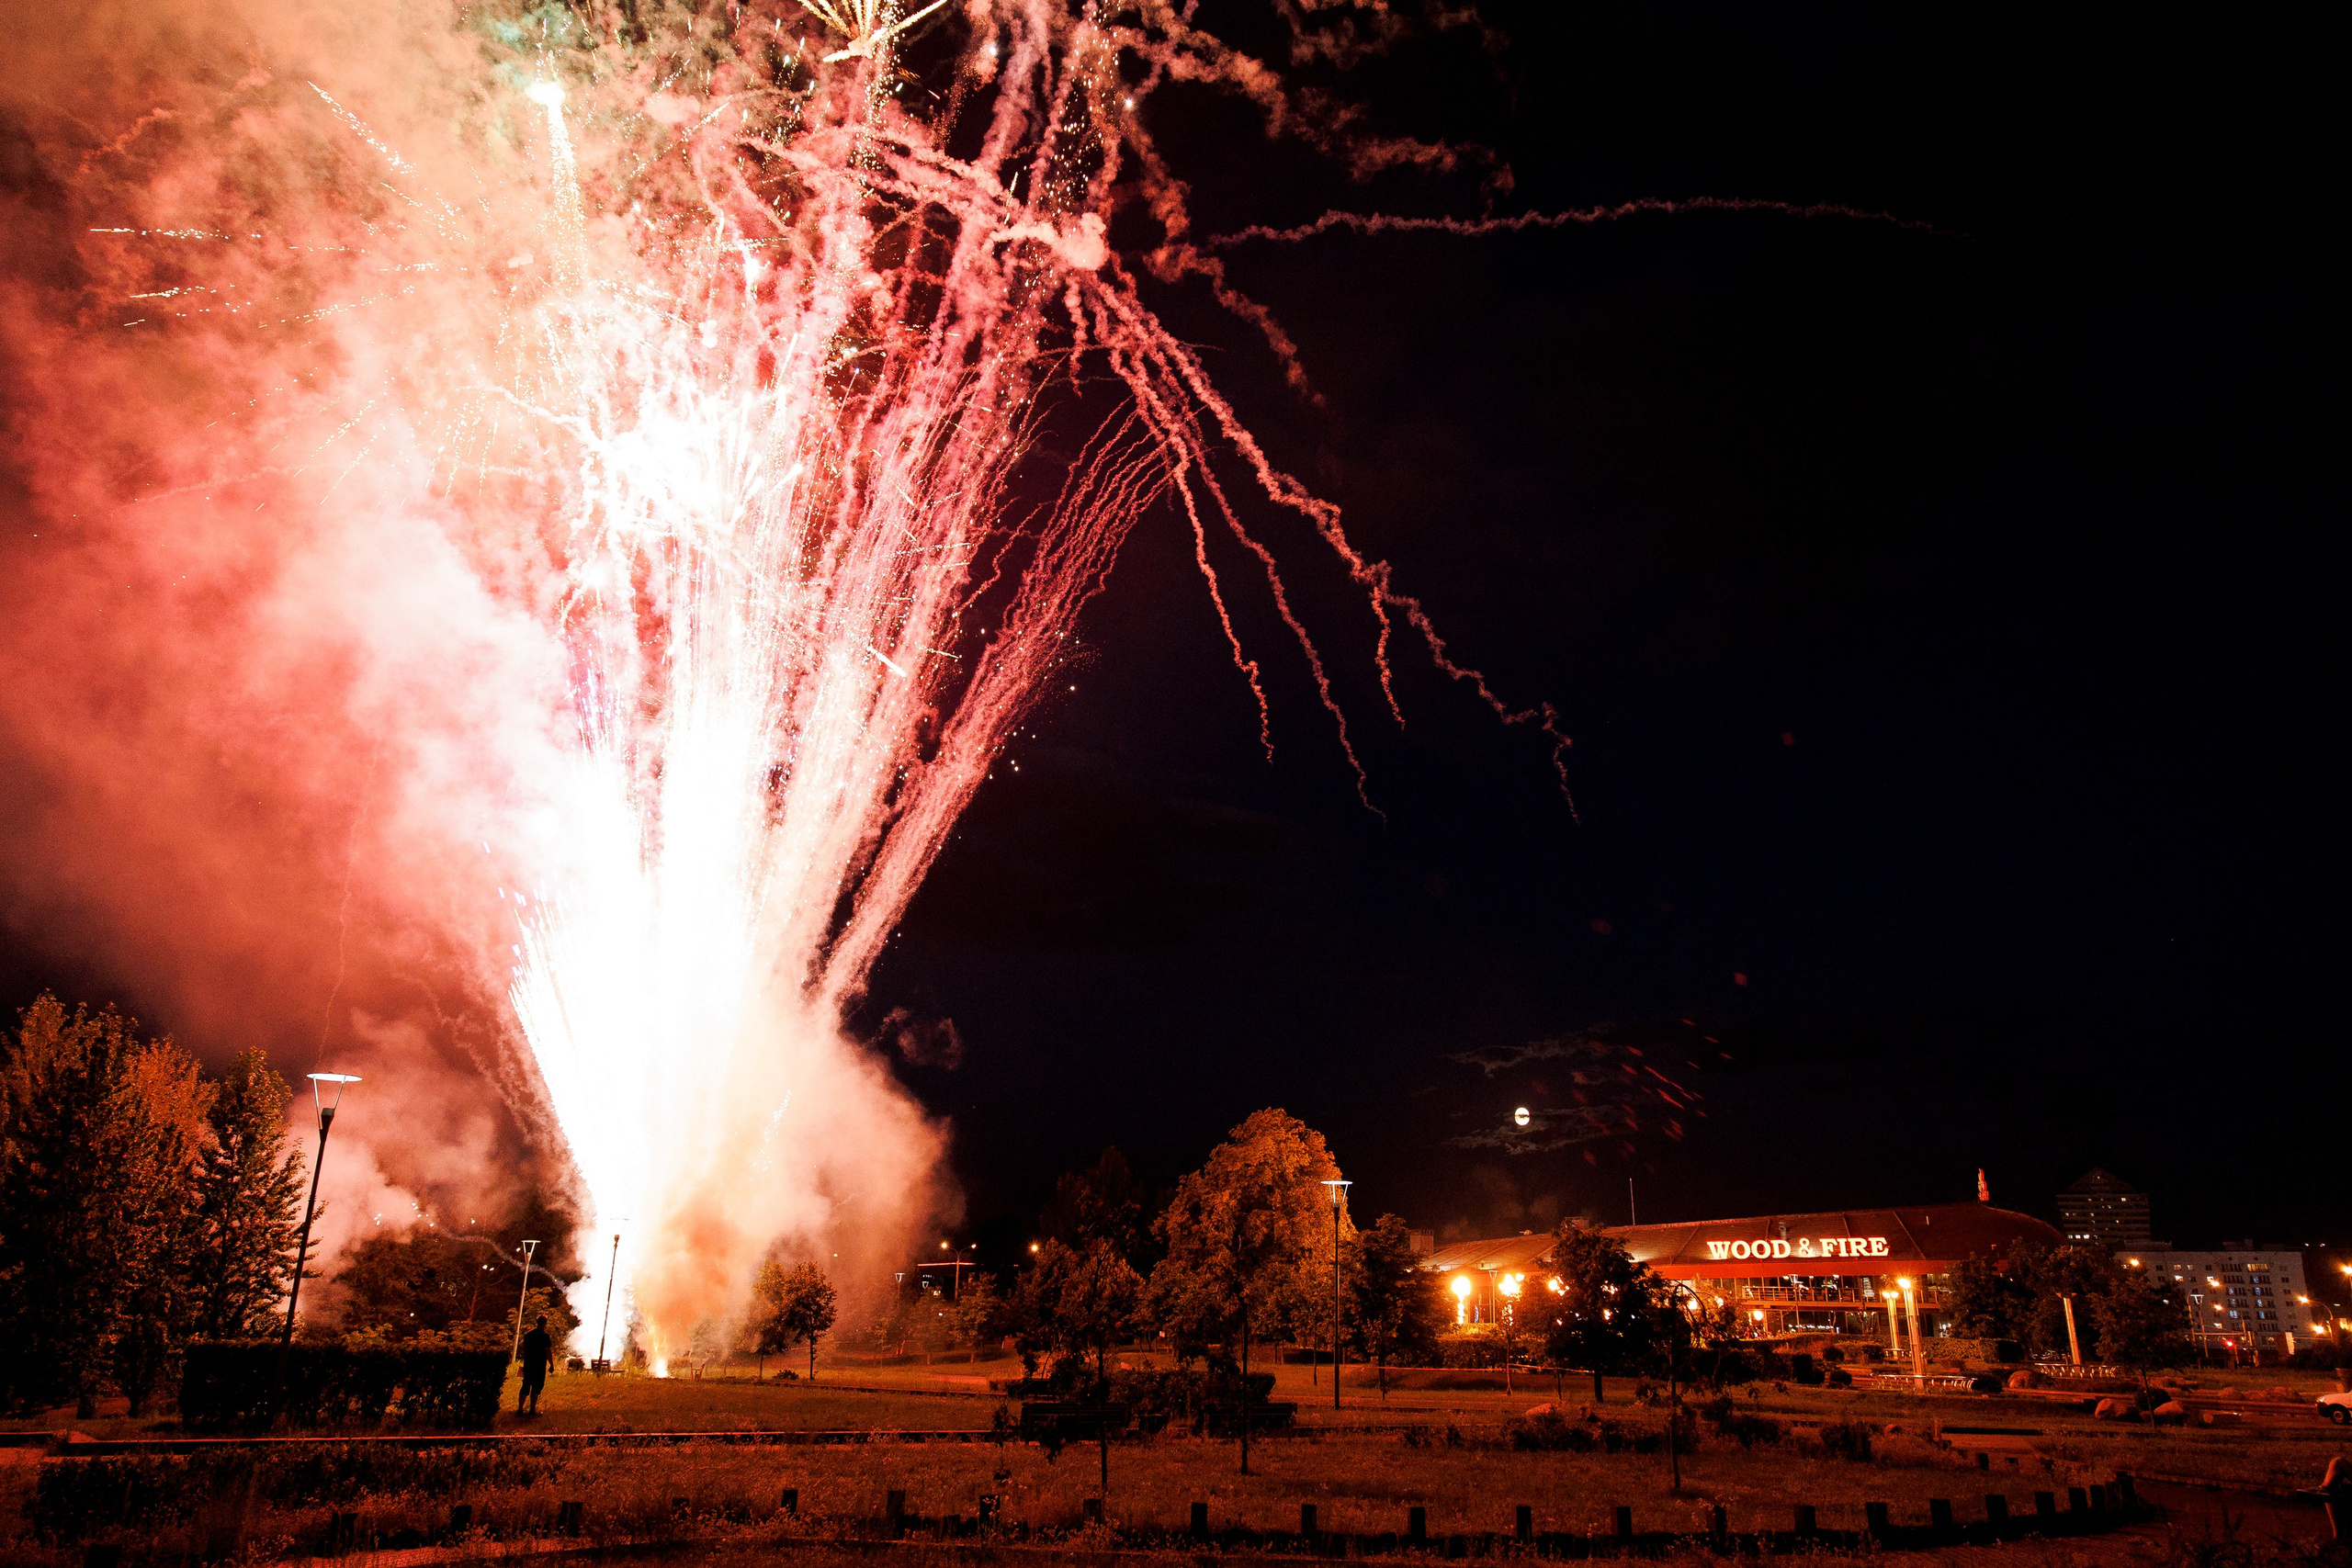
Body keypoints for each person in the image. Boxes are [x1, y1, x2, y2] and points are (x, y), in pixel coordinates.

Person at [519, 1314, 553, 1415]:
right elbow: (548, 1351)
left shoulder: (529, 1334)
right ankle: (532, 1409)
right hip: (539, 1364)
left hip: (529, 1363)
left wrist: (525, 1361)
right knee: (536, 1386)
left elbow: (524, 1349)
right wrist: (551, 1364)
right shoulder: (545, 1336)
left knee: (526, 1385)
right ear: (545, 1323)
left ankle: (520, 1409)